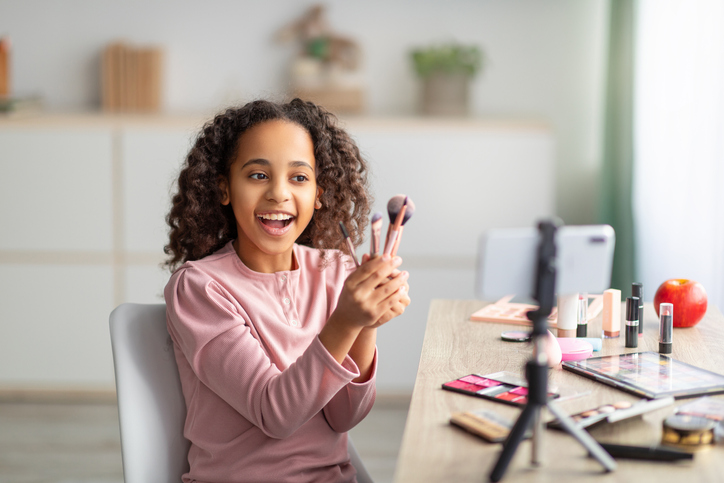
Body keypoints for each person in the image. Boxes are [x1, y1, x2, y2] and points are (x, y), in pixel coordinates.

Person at [163, 98, 411, 483]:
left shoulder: (335, 271)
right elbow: (275, 414)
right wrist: (347, 320)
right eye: (258, 175)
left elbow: (345, 416)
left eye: (298, 177)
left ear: (319, 193)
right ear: (224, 189)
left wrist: (368, 322)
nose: (279, 193)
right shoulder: (199, 288)